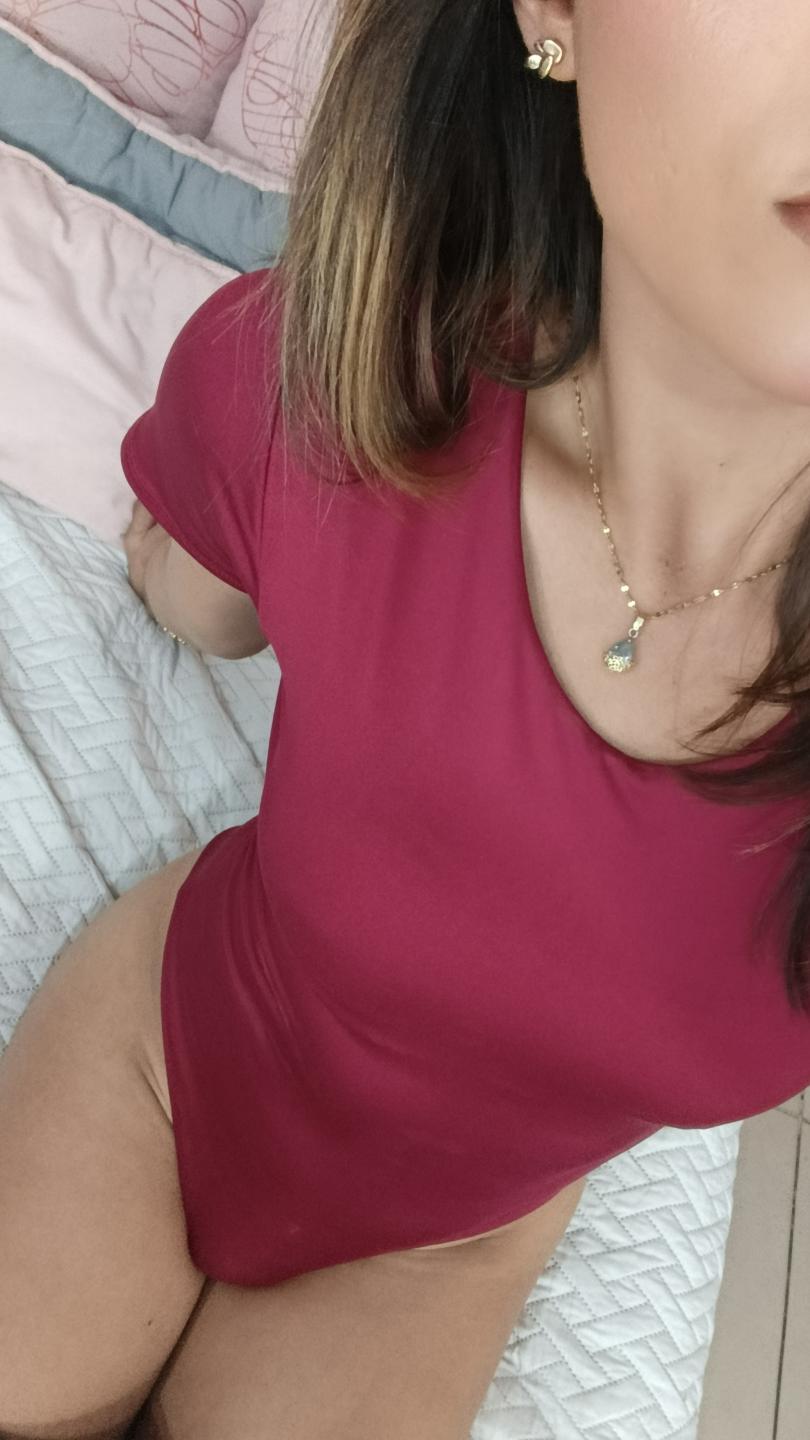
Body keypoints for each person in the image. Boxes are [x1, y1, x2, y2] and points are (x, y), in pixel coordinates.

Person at [3, 1, 810, 1435]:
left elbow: (204, 591)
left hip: (442, 1246)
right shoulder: (337, 372)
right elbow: (198, 580)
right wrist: (197, 566)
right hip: (170, 1057)